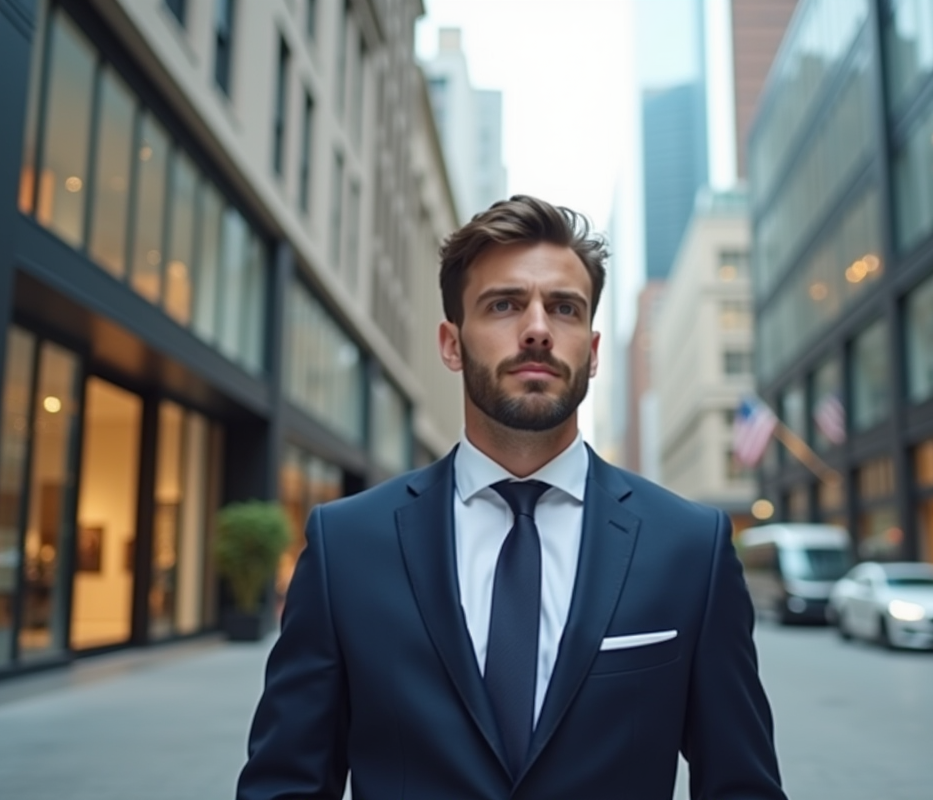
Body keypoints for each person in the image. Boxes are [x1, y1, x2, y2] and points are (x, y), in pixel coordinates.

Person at [236, 195, 787, 800]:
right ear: (451, 343)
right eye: (504, 305)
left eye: (565, 308)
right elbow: (284, 785)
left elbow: (743, 786)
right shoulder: (345, 546)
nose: (537, 329)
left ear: (593, 351)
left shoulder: (691, 549)